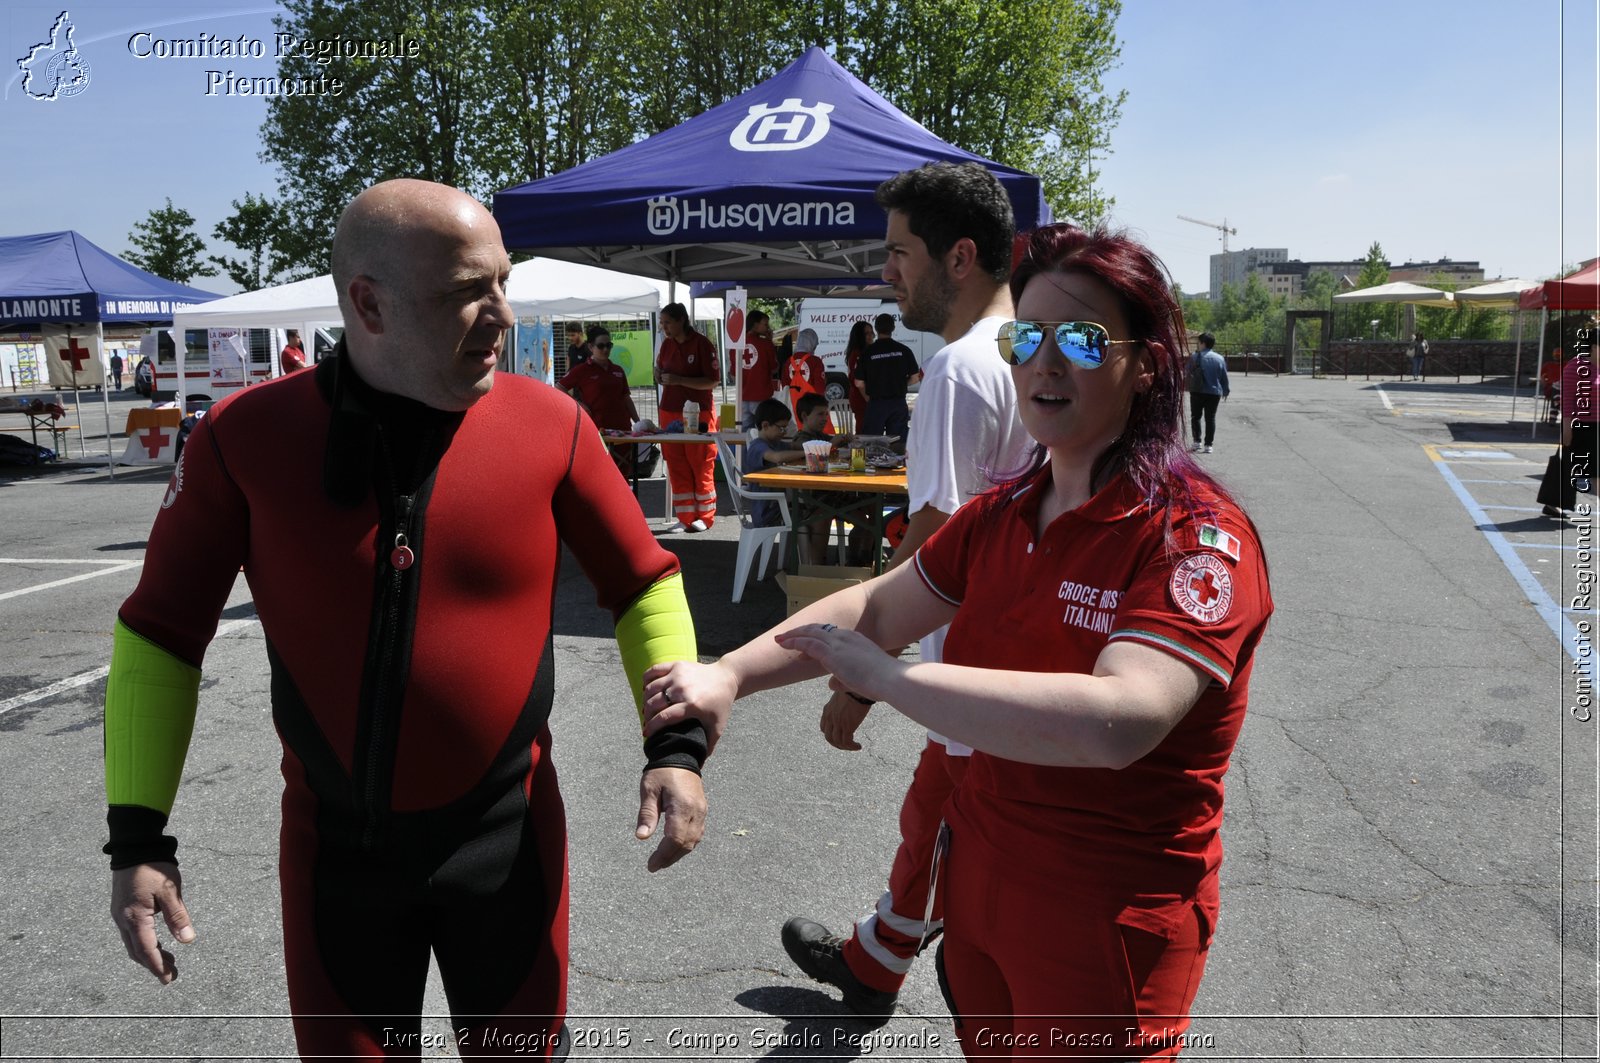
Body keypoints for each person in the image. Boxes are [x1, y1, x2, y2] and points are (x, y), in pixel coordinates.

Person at [103, 179, 710, 1061]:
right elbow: (161, 632)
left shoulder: (552, 426)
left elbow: (645, 583)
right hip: (338, 867)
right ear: (368, 302)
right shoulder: (247, 439)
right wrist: (137, 840)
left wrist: (676, 748)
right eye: (471, 291)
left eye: (503, 282)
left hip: (506, 850)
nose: (503, 313)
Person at [642, 221, 1274, 1060]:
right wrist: (727, 675)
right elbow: (876, 604)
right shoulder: (1004, 512)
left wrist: (891, 682)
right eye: (1027, 335)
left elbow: (1119, 719)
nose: (1043, 362)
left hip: (1106, 911)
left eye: (1081, 340)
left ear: (1147, 365)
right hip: (982, 881)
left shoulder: (1192, 538)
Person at [782, 161, 1034, 1017]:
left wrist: (862, 673)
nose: (884, 271)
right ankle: (879, 957)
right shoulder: (1030, 351)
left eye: (899, 253)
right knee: (938, 823)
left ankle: (880, 965)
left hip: (970, 666)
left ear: (959, 258)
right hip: (1024, 660)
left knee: (945, 827)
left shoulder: (960, 372)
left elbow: (938, 541)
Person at [655, 301, 720, 533]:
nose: (664, 328)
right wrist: (659, 375)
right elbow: (662, 371)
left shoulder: (702, 344)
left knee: (700, 461)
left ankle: (706, 516)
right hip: (669, 410)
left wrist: (680, 380)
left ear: (681, 320)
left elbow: (713, 380)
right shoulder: (666, 345)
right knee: (675, 462)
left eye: (668, 322)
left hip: (698, 410)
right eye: (662, 323)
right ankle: (685, 517)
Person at [559, 325, 640, 473]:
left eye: (609, 345)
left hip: (622, 430)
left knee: (623, 474)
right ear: (591, 347)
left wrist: (639, 423)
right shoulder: (582, 370)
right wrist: (578, 405)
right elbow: (559, 388)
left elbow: (626, 398)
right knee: (599, 474)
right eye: (601, 346)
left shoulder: (618, 370)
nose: (605, 349)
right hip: (597, 430)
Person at [1541, 335, 1596, 517]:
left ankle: (1551, 501)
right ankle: (1551, 502)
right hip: (1580, 425)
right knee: (1568, 465)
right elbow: (1567, 399)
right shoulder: (1576, 366)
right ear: (1594, 346)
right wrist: (1566, 427)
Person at [743, 397, 806, 528]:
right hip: (766, 510)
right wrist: (808, 453)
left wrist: (816, 446)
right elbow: (777, 457)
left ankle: (801, 549)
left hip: (776, 505)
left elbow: (794, 446)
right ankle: (807, 549)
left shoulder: (774, 443)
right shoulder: (757, 447)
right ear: (765, 425)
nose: (785, 432)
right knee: (808, 516)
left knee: (809, 513)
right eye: (781, 428)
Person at [856, 312, 921, 438]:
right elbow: (915, 377)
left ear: (876, 329)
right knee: (898, 441)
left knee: (872, 442)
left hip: (876, 403)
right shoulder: (904, 350)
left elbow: (859, 382)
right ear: (893, 328)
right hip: (898, 403)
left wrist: (867, 398)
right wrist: (902, 383)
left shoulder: (867, 352)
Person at [734, 310, 781, 429]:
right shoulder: (766, 344)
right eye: (765, 324)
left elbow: (734, 373)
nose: (768, 328)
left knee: (743, 433)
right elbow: (774, 368)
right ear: (755, 325)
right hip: (761, 396)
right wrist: (769, 341)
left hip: (742, 397)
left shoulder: (736, 344)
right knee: (762, 431)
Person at [1186, 332, 1229, 453]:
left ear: (1203, 343)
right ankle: (1208, 445)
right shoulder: (1220, 358)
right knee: (1210, 418)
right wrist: (1225, 390)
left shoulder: (1194, 357)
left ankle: (1196, 442)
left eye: (1198, 343)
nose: (1198, 345)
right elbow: (1223, 377)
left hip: (1197, 391)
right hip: (1214, 392)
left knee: (1196, 417)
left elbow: (1187, 372)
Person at [787, 327, 833, 432]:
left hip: (793, 408)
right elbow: (820, 389)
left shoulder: (788, 362)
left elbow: (785, 387)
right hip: (813, 409)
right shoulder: (815, 361)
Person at [843, 320, 873, 432]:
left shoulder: (867, 351)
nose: (870, 336)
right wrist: (868, 399)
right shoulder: (857, 353)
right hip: (861, 398)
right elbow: (857, 381)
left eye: (871, 332)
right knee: (863, 428)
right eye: (867, 333)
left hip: (866, 397)